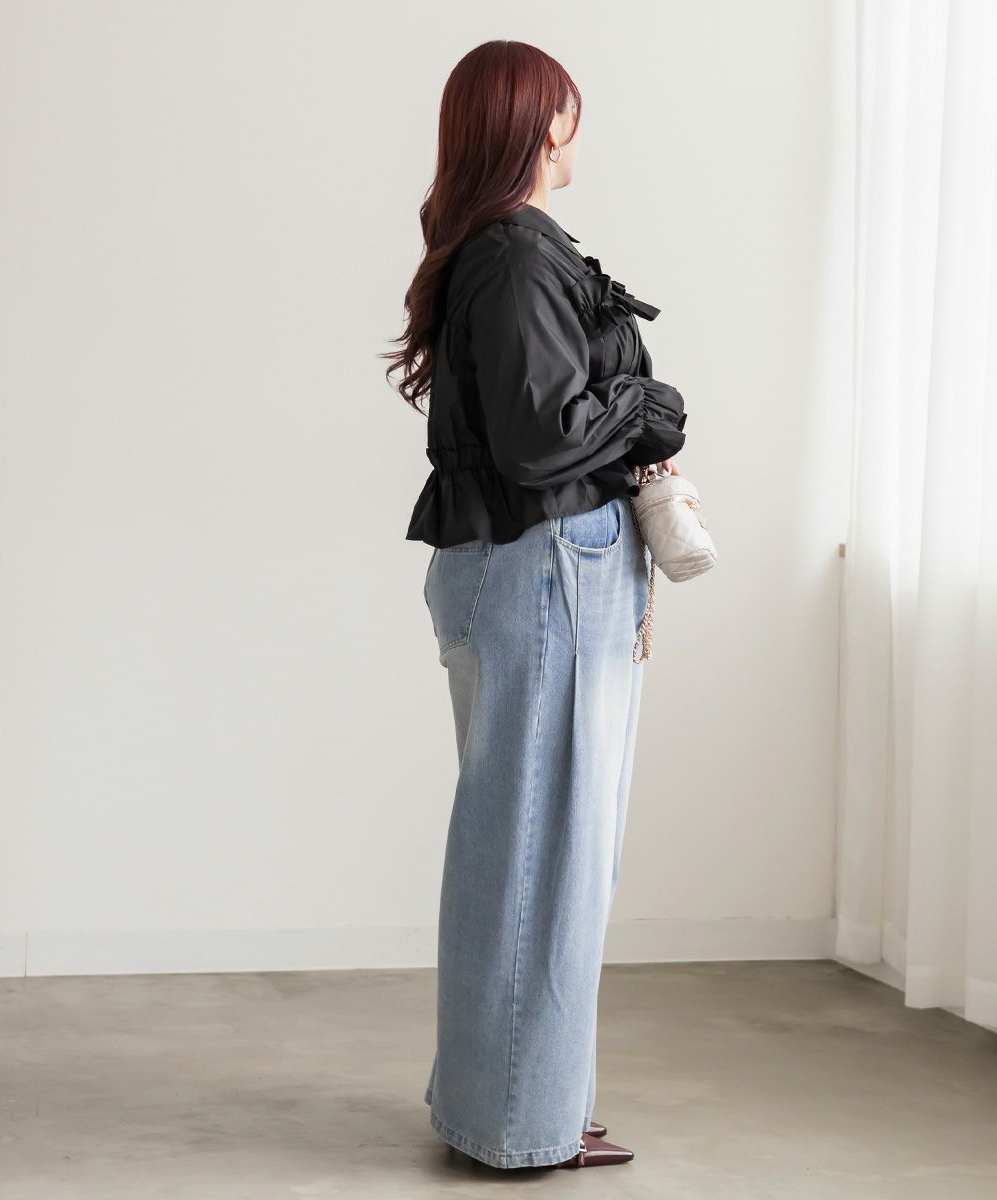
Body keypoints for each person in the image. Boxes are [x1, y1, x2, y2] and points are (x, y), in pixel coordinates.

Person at [382, 39, 688, 1171]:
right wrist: (649, 405)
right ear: (541, 125)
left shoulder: (500, 246)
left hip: (529, 564)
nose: (577, 129)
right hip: (547, 563)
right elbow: (539, 438)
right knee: (542, 854)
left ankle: (518, 1102)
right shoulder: (514, 252)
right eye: (568, 110)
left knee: (523, 848)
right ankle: (519, 1122)